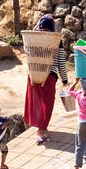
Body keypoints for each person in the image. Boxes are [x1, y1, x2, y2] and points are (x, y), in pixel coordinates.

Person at [23, 15, 69, 145]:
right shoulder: (56, 40)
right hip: (49, 76)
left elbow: (28, 40)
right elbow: (61, 61)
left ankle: (39, 127)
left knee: (35, 101)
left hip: (33, 74)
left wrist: (37, 25)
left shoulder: (34, 37)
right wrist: (64, 79)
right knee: (46, 104)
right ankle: (42, 129)